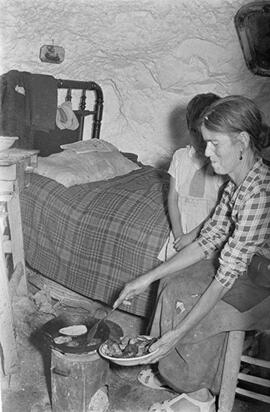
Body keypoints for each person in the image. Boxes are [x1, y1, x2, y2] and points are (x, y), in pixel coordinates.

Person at [114, 95, 270, 412]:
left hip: (264, 281)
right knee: (173, 283)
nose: (206, 151)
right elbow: (205, 241)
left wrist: (176, 334)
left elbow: (225, 276)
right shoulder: (236, 185)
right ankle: (179, 373)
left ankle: (202, 395)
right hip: (250, 267)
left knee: (197, 304)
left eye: (214, 143)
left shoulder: (259, 192)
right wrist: (143, 280)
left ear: (241, 141)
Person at [158, 93, 225, 261]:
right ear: (189, 129)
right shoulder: (180, 157)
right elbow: (173, 198)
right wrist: (178, 233)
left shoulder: (221, 163)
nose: (202, 141)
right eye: (196, 132)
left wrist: (192, 237)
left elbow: (221, 211)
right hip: (181, 228)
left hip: (209, 230)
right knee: (172, 274)